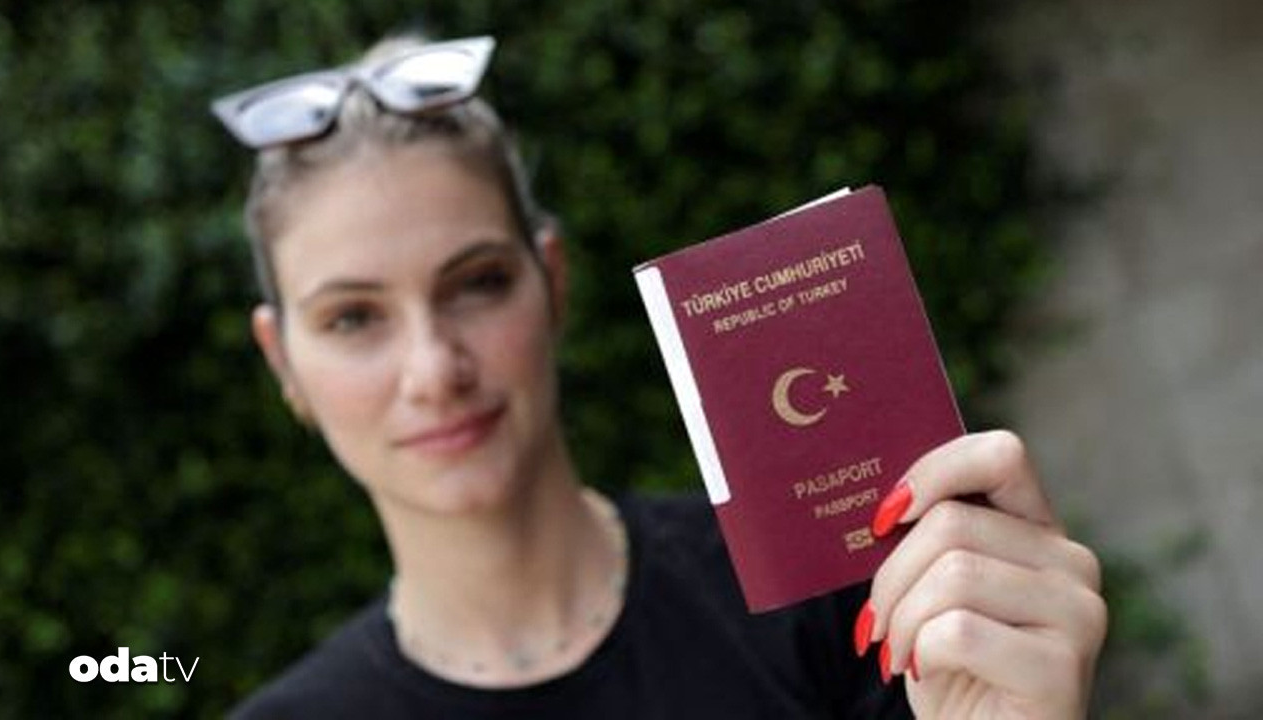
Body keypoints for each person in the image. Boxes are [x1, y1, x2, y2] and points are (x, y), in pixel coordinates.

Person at [212, 34, 1107, 719]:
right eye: (353, 318)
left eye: (477, 283)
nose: (433, 370)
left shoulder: (837, 597)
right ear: (282, 359)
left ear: (552, 282)